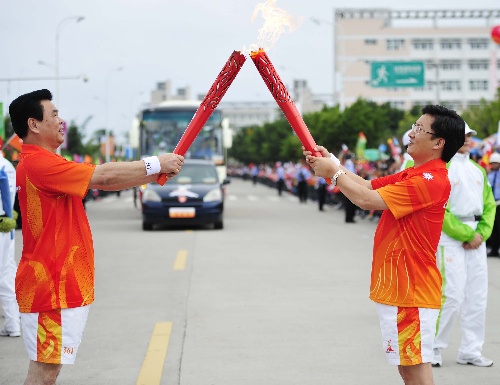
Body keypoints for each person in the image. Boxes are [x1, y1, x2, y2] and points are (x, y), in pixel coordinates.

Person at [9, 89, 184, 385]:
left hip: (60, 285)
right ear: (34, 125)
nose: (61, 121)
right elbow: (102, 176)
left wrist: (154, 175)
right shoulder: (40, 164)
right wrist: (156, 164)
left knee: (48, 370)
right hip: (51, 287)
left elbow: (105, 182)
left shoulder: (49, 162)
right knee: (44, 373)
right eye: (54, 115)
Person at [304, 105, 465, 385]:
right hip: (399, 290)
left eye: (419, 129)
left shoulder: (432, 180)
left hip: (410, 291)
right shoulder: (413, 174)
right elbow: (367, 187)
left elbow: (366, 201)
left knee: (415, 371)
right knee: (407, 368)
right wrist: (333, 163)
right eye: (414, 126)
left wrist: (333, 174)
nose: (411, 134)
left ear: (439, 142)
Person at [431, 123, 495, 368]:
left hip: (477, 240)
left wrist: (481, 234)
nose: (467, 139)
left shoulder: (478, 170)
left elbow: (489, 206)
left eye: (469, 135)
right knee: (452, 295)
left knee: (477, 297)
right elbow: (439, 209)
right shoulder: (442, 169)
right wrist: (466, 235)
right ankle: (434, 347)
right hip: (452, 240)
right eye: (463, 135)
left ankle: (470, 349)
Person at [0, 151, 20, 338]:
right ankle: (13, 322)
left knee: (4, 275)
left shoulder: (2, 166)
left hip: (3, 224)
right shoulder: (6, 164)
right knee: (7, 273)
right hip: (6, 226)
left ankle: (13, 323)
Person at [486, 152, 500, 257]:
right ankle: (494, 249)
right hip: (492, 203)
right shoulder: (489, 175)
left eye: (496, 163)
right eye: (493, 163)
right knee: (494, 227)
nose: (494, 165)